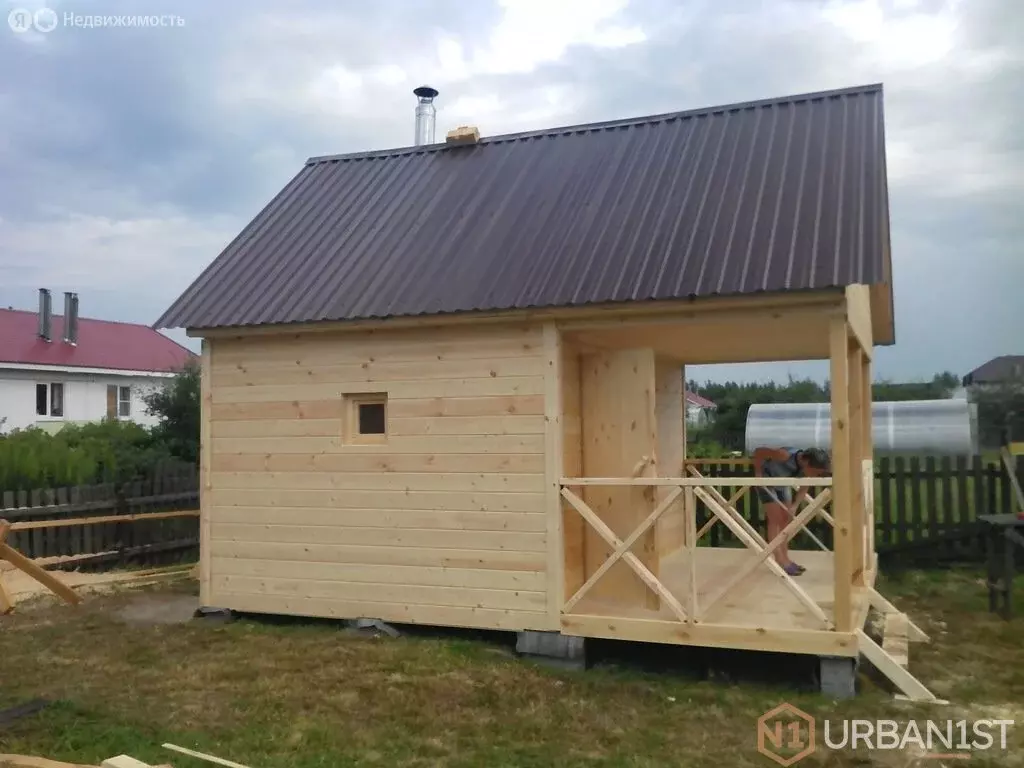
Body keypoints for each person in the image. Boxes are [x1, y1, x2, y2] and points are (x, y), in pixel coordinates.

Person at [750, 446, 832, 576]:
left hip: (783, 484)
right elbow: (758, 452)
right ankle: (779, 560)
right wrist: (758, 473)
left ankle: (786, 558)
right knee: (775, 519)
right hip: (767, 480)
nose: (816, 475)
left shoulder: (807, 469)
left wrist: (794, 506)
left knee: (786, 520)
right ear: (806, 462)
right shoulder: (784, 455)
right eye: (816, 471)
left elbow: (805, 486)